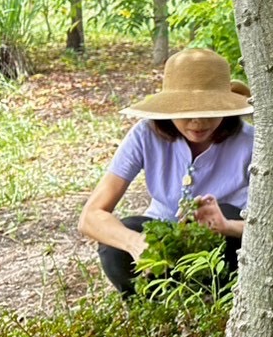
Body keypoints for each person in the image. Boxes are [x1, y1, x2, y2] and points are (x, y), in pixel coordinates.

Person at [79, 48, 254, 296]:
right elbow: (91, 216)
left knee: (226, 213)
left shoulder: (250, 142)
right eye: (187, 112)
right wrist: (135, 243)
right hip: (163, 240)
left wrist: (227, 226)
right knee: (116, 243)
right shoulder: (145, 135)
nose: (198, 122)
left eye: (210, 111)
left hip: (223, 245)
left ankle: (216, 298)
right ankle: (159, 304)